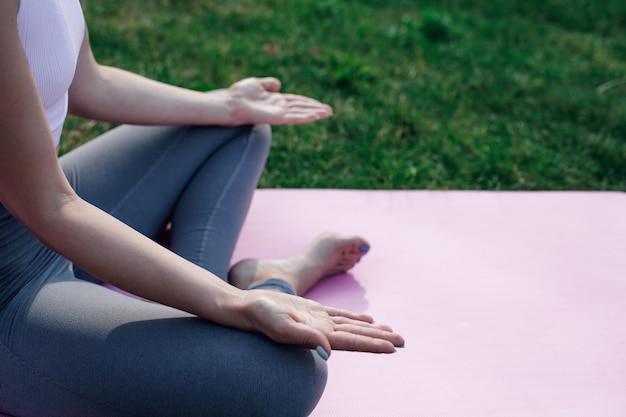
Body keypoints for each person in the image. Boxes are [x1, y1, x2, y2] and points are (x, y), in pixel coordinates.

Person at [0, 0, 405, 416]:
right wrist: (234, 302)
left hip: (41, 194)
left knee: (237, 128)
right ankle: (269, 286)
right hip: (11, 282)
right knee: (277, 376)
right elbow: (49, 206)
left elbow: (89, 83)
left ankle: (209, 308)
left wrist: (228, 105)